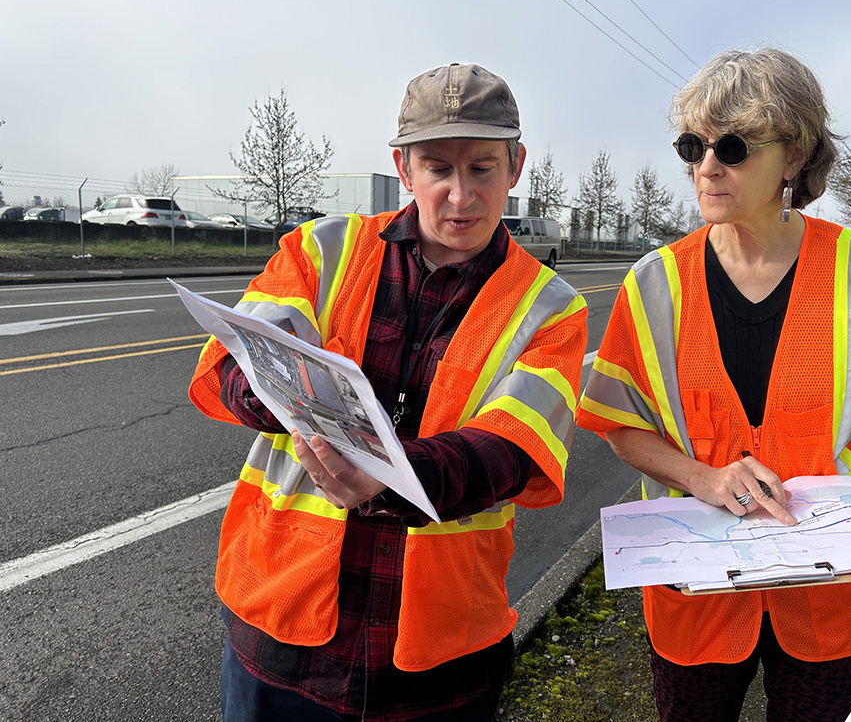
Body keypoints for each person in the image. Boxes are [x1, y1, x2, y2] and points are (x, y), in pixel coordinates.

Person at [576, 48, 851, 722]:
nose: (706, 166)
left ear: (794, 156)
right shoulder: (656, 282)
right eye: (692, 145)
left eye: (732, 147)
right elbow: (621, 424)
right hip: (697, 593)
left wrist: (836, 525)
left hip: (833, 596)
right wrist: (702, 479)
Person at [188, 62, 588, 721]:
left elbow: (513, 451)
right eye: (438, 168)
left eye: (482, 168)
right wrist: (283, 399)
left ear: (516, 168)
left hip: (437, 659)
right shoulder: (322, 248)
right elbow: (232, 361)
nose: (460, 196)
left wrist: (391, 477)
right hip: (282, 630)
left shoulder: (549, 306)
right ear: (404, 169)